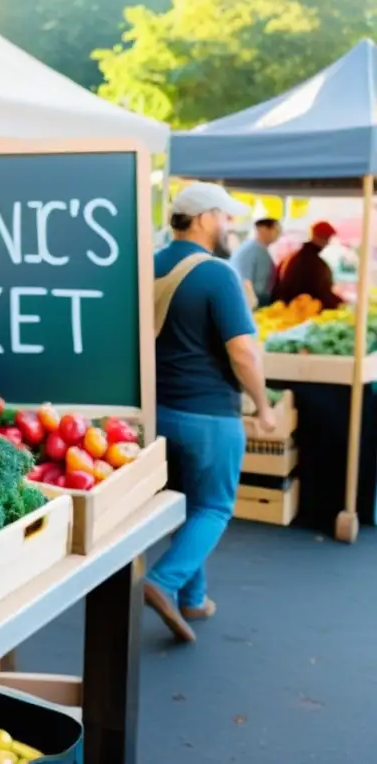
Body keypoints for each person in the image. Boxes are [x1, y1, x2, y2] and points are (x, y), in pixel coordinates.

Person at [147, 182, 276, 643]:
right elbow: (243, 353)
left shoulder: (148, 266)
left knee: (186, 506)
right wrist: (263, 406)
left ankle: (193, 599)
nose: (230, 225)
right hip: (210, 417)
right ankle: (162, 581)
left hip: (158, 414)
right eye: (224, 216)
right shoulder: (218, 275)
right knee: (216, 507)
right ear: (202, 218)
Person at [271, 221, 342, 309]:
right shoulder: (317, 265)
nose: (327, 243)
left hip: (283, 309)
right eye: (327, 238)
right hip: (303, 312)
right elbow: (322, 294)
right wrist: (340, 303)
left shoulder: (291, 258)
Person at [230, 218, 282, 307]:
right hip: (251, 304)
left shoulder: (261, 250)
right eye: (275, 229)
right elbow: (245, 282)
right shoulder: (250, 250)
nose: (278, 234)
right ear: (262, 229)